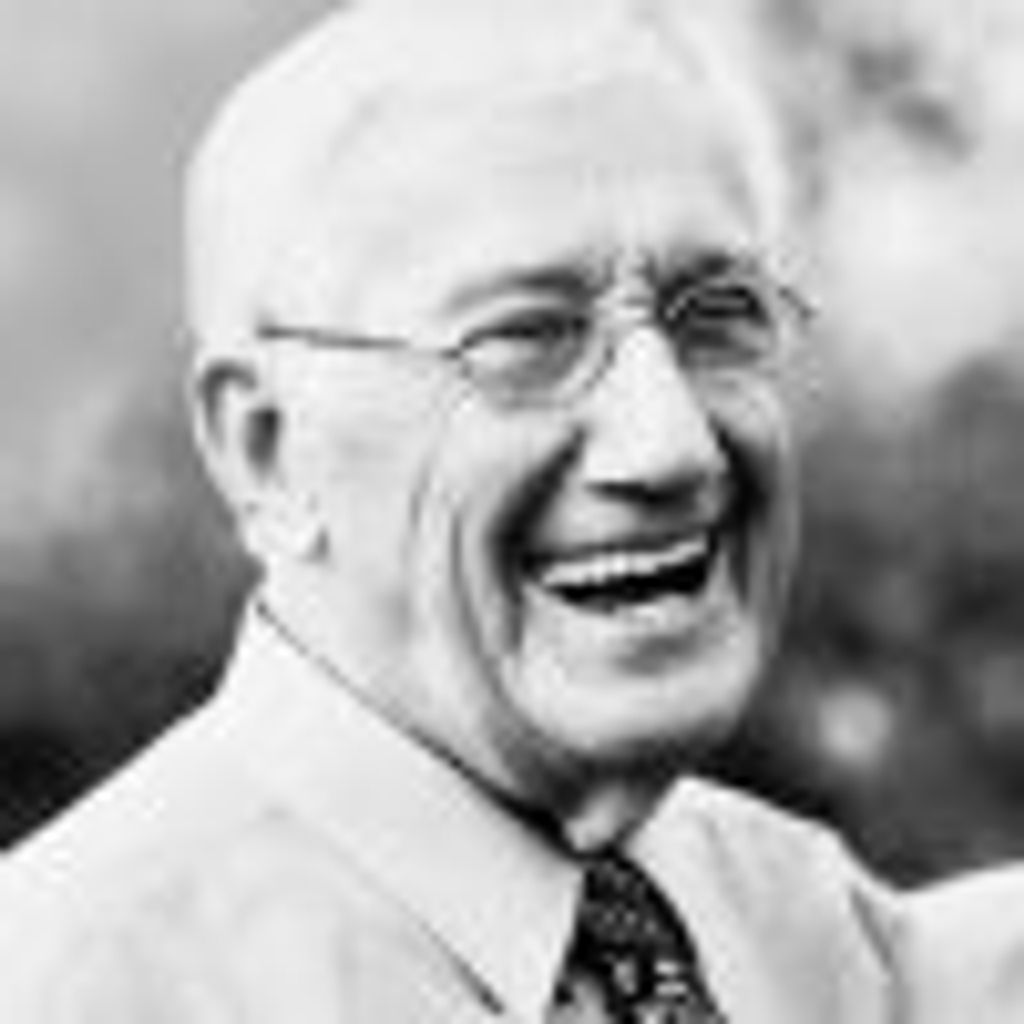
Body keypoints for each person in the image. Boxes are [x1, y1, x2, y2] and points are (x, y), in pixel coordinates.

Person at [1, 0, 1022, 1020]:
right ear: (265, 448)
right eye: (525, 339)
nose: (671, 443)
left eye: (717, 313)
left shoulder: (805, 927)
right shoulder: (77, 984)